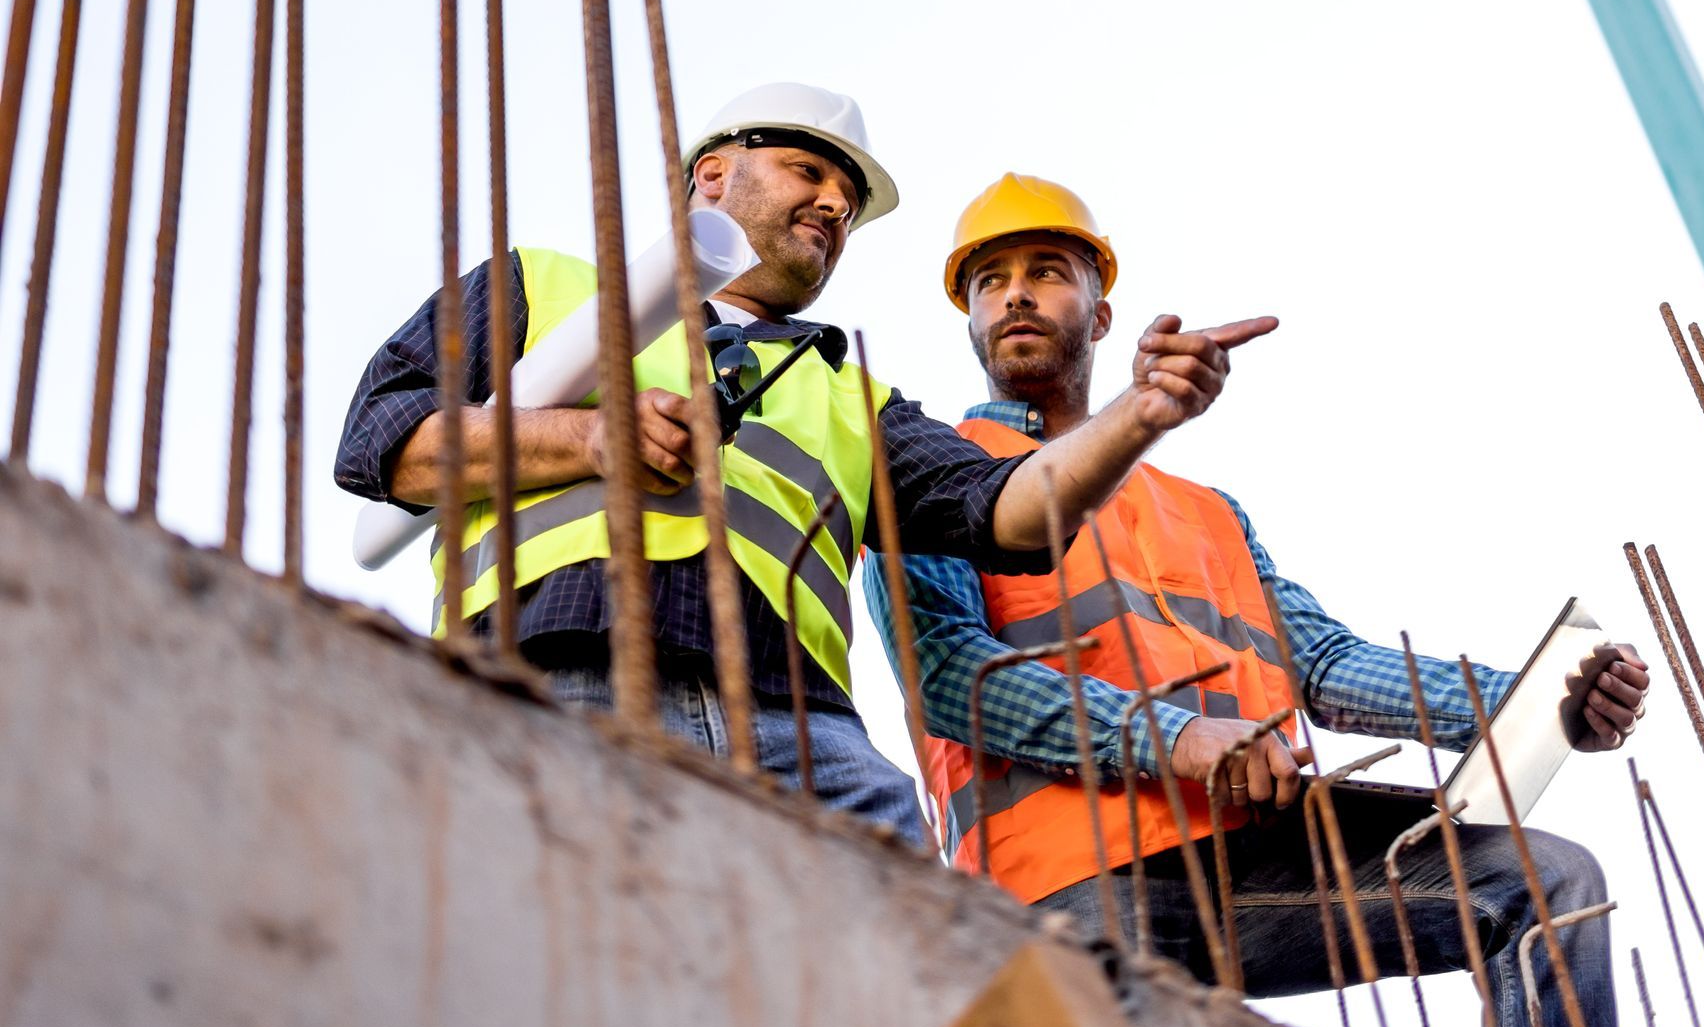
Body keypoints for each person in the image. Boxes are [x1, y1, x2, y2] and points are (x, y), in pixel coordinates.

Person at [864, 173, 1650, 1027]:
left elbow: (1321, 665)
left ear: (1101, 310)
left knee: (1544, 882)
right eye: (990, 281)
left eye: (1045, 272)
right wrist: (1180, 739)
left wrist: (1535, 698)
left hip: (1247, 857)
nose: (1015, 294)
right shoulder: (940, 481)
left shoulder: (1207, 510)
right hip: (1071, 889)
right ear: (969, 316)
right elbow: (952, 678)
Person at [336, 92, 1274, 847]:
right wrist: (586, 442)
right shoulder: (542, 289)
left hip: (808, 732)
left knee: (903, 971)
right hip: (562, 668)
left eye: (848, 200)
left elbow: (1017, 515)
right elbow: (384, 446)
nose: (834, 203)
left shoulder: (850, 393)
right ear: (713, 174)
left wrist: (1139, 414)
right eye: (809, 170)